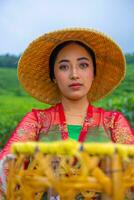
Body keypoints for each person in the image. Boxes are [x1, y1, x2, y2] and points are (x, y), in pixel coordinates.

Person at [0, 28, 134, 199]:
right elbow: (5, 171)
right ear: (54, 76)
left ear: (94, 73)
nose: (74, 74)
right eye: (64, 67)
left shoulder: (113, 123)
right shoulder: (37, 121)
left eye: (83, 65)